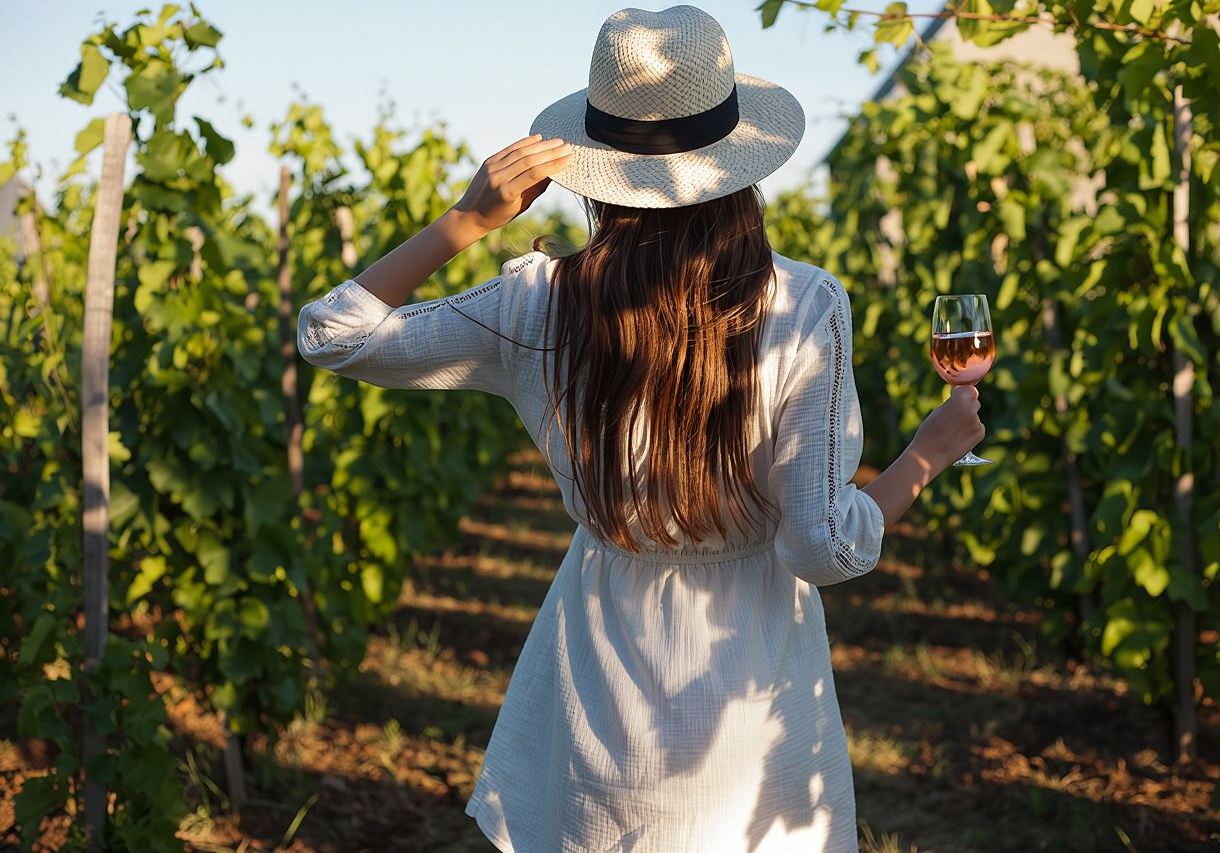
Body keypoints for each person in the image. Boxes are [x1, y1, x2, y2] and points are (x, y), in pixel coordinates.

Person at [297, 5, 984, 851]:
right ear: (742, 161)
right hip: (752, 704)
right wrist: (927, 453)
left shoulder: (536, 302)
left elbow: (330, 334)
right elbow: (823, 548)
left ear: (592, 166)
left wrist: (466, 221)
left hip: (601, 695)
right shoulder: (806, 308)